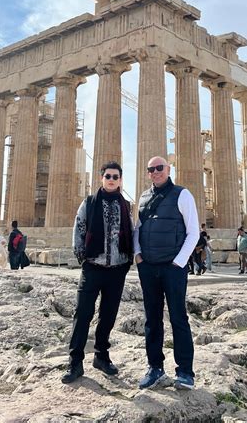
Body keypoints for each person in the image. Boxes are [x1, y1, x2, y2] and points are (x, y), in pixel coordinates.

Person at [62, 161, 133, 384]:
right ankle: (75, 362)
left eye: (115, 176)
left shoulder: (126, 205)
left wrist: (128, 260)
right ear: (101, 178)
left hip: (117, 269)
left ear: (120, 180)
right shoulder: (90, 202)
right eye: (108, 176)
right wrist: (82, 257)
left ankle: (101, 356)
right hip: (93, 266)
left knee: (108, 315)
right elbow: (79, 227)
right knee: (82, 314)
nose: (111, 179)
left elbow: (130, 232)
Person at [134, 156, 199, 391]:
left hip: (173, 268)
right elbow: (137, 229)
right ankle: (155, 368)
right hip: (148, 267)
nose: (155, 172)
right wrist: (138, 256)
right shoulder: (143, 197)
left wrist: (179, 263)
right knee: (152, 320)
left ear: (168, 169)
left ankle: (185, 372)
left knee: (178, 318)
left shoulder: (183, 195)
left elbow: (193, 232)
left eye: (159, 168)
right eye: (150, 169)